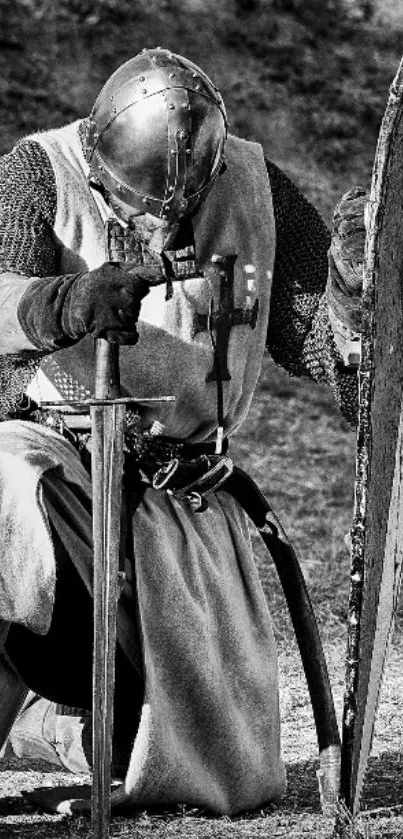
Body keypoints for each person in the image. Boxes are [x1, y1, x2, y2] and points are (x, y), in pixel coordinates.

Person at [0, 47, 363, 816]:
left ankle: (58, 724)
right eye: (139, 205)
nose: (160, 220)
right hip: (63, 456)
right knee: (6, 483)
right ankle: (49, 671)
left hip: (184, 501)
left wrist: (351, 312)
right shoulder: (43, 173)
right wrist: (60, 302)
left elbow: (314, 344)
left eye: (179, 204)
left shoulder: (255, 189)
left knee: (223, 776)